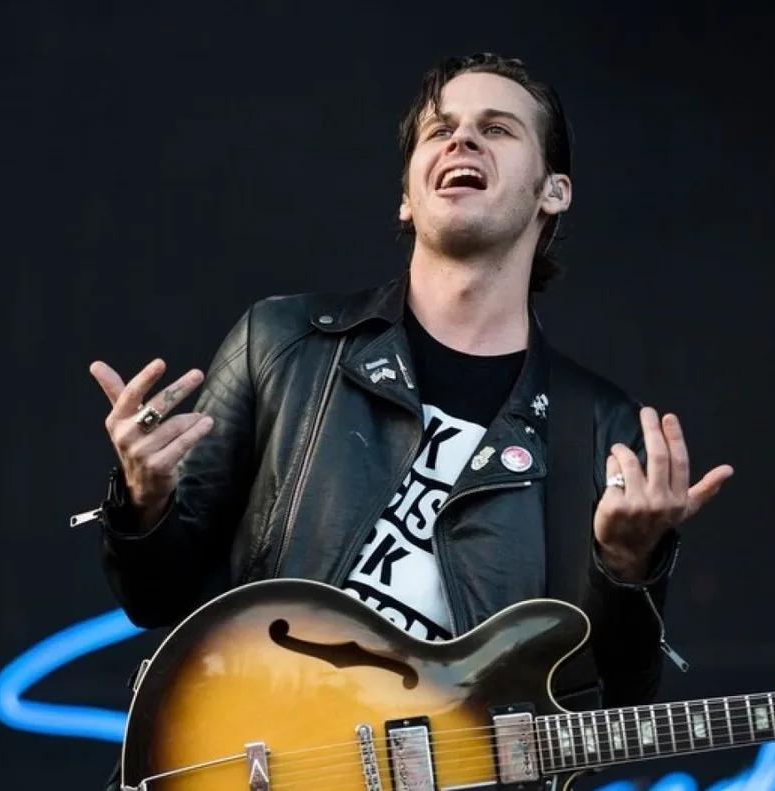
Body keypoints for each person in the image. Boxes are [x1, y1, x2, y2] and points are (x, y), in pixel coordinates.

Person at [84, 52, 733, 783]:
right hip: (250, 758)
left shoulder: (596, 425)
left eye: (496, 128)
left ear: (555, 190)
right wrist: (142, 499)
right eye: (440, 130)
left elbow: (614, 702)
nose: (462, 142)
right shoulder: (286, 343)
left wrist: (627, 568)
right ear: (405, 195)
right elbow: (153, 594)